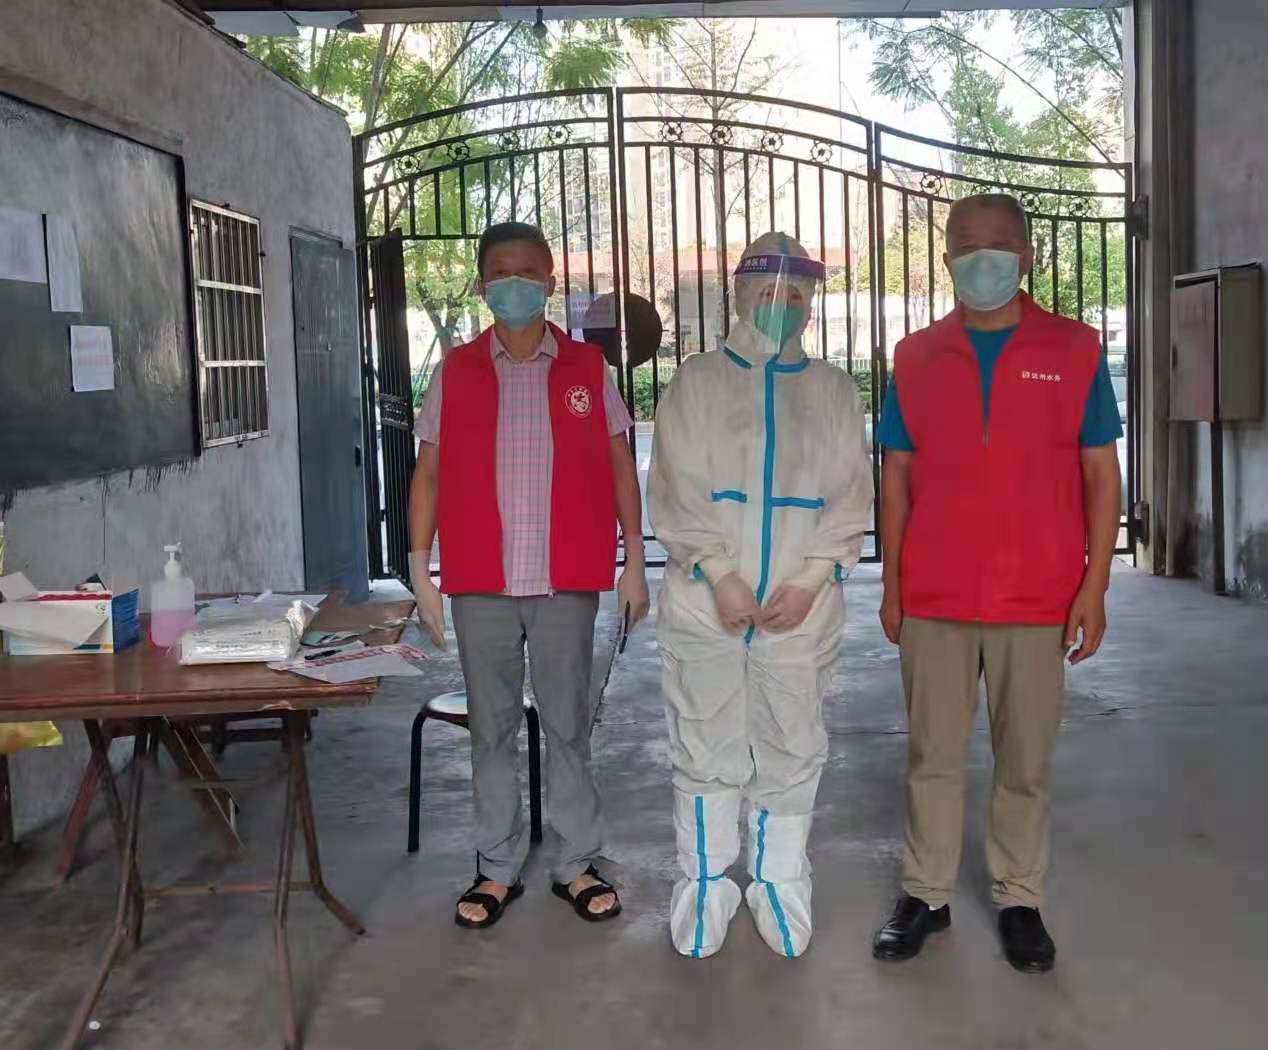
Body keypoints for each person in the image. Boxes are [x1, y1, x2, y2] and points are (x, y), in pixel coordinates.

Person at [870, 193, 1122, 973]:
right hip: (936, 593)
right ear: (947, 258)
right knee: (932, 755)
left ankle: (1020, 897)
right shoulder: (915, 356)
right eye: (967, 245)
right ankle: (926, 894)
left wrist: (1094, 587)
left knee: (1025, 760)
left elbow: (1100, 474)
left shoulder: (1074, 349)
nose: (983, 258)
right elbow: (896, 477)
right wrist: (893, 585)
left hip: (1037, 593)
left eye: (1000, 243)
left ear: (1028, 255)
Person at [407, 221, 650, 929]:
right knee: (491, 729)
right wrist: (420, 567)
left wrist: (635, 558)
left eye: (527, 273)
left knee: (568, 725)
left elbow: (618, 462)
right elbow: (428, 472)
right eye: (499, 274)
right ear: (483, 286)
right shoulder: (455, 370)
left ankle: (576, 861)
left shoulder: (585, 367)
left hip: (565, 577)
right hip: (480, 578)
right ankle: (496, 865)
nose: (513, 285)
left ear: (549, 280)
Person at [648, 232, 874, 959]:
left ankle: (779, 880)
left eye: (798, 294)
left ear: (814, 304)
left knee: (792, 740)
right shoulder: (698, 381)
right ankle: (706, 883)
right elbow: (677, 486)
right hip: (705, 601)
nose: (784, 305)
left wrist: (809, 581)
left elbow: (849, 495)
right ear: (740, 295)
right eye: (769, 292)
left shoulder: (832, 390)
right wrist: (719, 573)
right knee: (703, 738)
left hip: (799, 611)